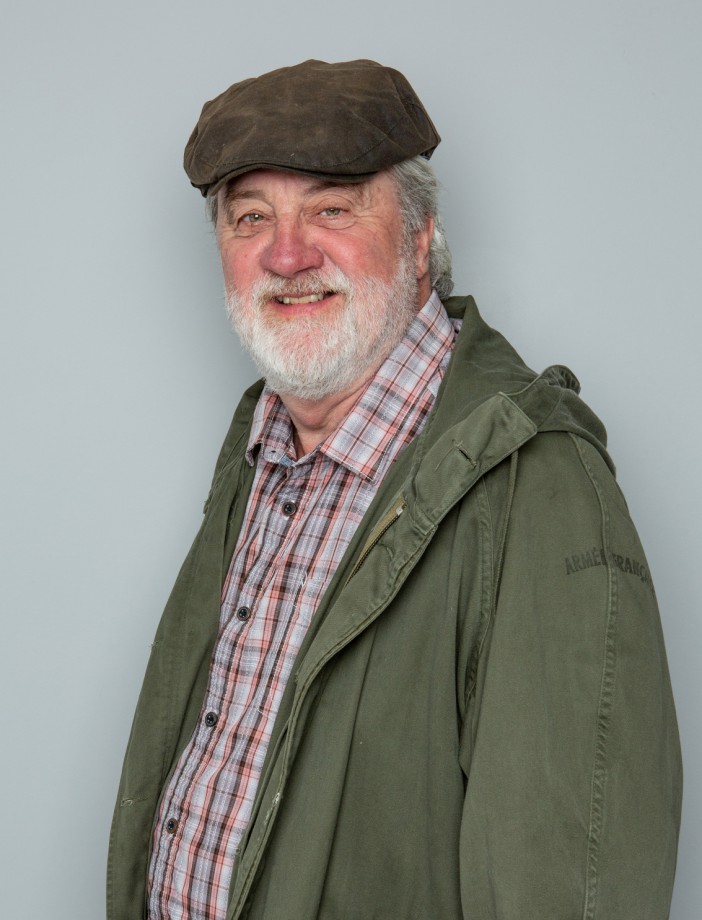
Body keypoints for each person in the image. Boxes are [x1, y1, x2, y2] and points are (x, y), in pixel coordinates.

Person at [108, 59, 682, 920]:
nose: (287, 253)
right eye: (250, 218)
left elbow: (574, 888)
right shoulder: (260, 451)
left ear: (421, 238)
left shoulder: (539, 485)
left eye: (332, 209)